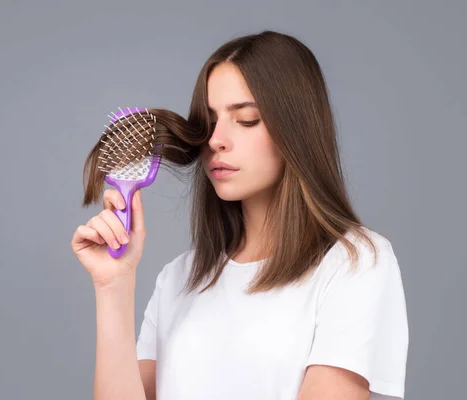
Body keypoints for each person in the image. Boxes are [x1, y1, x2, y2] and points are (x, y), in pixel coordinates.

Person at [71, 30, 409, 400]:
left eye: (246, 119)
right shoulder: (179, 278)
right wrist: (113, 286)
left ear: (296, 130)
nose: (216, 139)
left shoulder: (354, 263)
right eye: (210, 121)